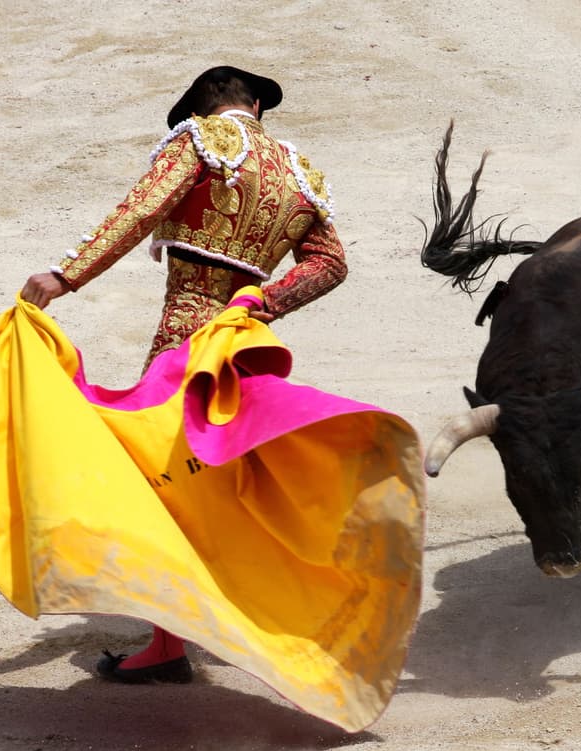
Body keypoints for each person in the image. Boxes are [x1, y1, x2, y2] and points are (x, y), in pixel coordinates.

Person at [19, 65, 348, 684]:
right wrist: (259, 303)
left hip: (184, 338)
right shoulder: (301, 175)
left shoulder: (203, 141)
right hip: (242, 347)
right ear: (254, 103)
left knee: (162, 482)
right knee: (214, 485)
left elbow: (140, 209)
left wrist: (68, 275)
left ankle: (170, 646)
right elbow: (331, 265)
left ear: (205, 107)